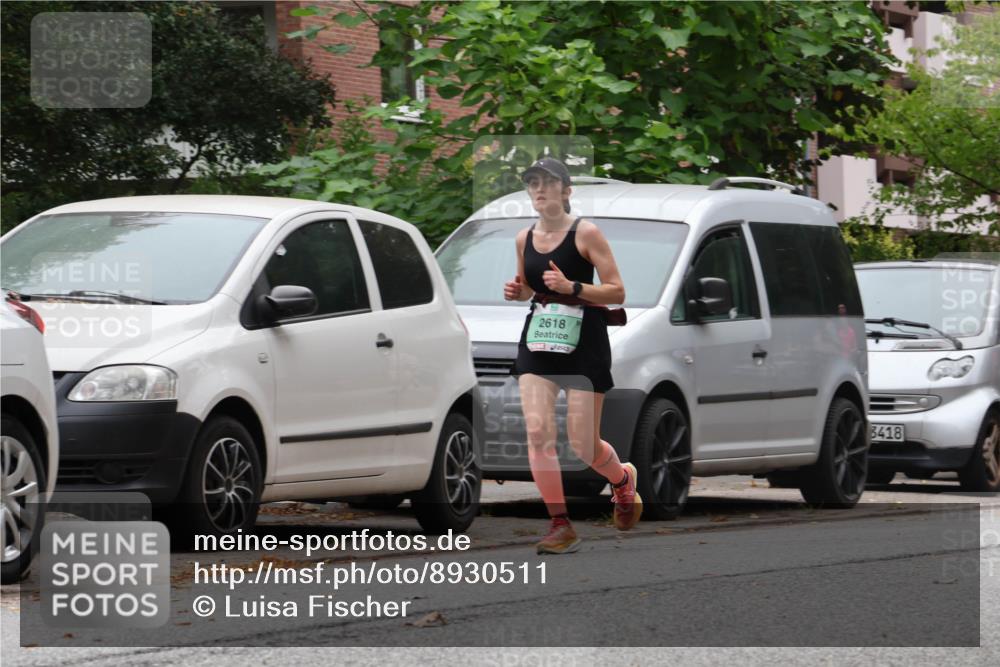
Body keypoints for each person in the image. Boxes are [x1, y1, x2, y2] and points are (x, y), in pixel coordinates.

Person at [503, 157, 641, 555]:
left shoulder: (587, 234)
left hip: (584, 342)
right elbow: (529, 287)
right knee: (537, 432)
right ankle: (560, 524)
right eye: (533, 183)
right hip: (540, 340)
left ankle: (621, 481)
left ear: (566, 191)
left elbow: (616, 292)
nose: (539, 189)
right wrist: (519, 293)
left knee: (583, 446)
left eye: (547, 182)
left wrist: (574, 286)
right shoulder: (522, 238)